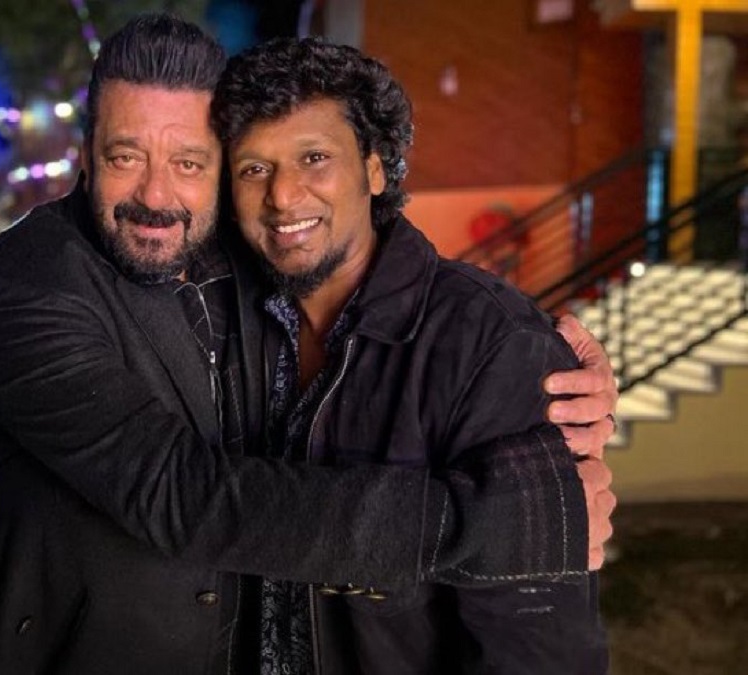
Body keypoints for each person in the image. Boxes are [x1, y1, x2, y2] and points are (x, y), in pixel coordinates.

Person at [0, 14, 616, 674]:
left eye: (189, 162)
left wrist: (534, 356)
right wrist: (499, 524)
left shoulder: (468, 335)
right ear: (86, 155)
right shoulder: (18, 286)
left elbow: (540, 646)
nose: (156, 193)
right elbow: (176, 490)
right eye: (125, 156)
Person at [213, 36, 611, 673]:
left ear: (375, 170)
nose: (283, 195)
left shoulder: (491, 343)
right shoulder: (224, 319)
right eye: (254, 169)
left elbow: (536, 645)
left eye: (314, 158)